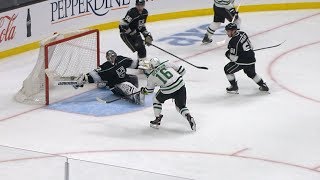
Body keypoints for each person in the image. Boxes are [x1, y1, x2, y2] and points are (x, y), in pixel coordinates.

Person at [140, 58, 196, 131]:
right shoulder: (167, 63)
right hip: (180, 85)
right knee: (180, 106)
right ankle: (188, 116)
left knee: (156, 100)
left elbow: (149, 91)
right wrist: (174, 79)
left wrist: (143, 91)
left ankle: (157, 119)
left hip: (168, 90)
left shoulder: (151, 76)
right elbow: (182, 71)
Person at [73, 50, 145, 104]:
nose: (112, 59)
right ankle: (136, 96)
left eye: (113, 56)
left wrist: (142, 64)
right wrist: (85, 78)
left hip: (124, 78)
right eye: (110, 57)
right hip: (115, 85)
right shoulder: (106, 66)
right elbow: (95, 73)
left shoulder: (120, 59)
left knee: (134, 78)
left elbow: (132, 63)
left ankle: (104, 83)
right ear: (107, 58)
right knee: (126, 86)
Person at [223, 23, 269, 93]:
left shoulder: (233, 42)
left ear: (234, 31)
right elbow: (251, 46)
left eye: (228, 31)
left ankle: (234, 86)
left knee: (227, 69)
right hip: (251, 58)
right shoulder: (243, 33)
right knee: (251, 73)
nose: (227, 33)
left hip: (242, 61)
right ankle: (263, 85)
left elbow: (234, 58)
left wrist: (227, 54)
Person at [119, 0, 153, 69]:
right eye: (138, 5)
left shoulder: (145, 13)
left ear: (144, 5)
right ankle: (140, 65)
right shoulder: (132, 13)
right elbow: (123, 25)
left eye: (141, 5)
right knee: (140, 48)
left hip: (135, 32)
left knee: (142, 48)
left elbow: (141, 26)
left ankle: (142, 65)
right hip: (125, 34)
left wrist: (146, 35)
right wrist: (131, 32)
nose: (140, 7)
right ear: (136, 5)